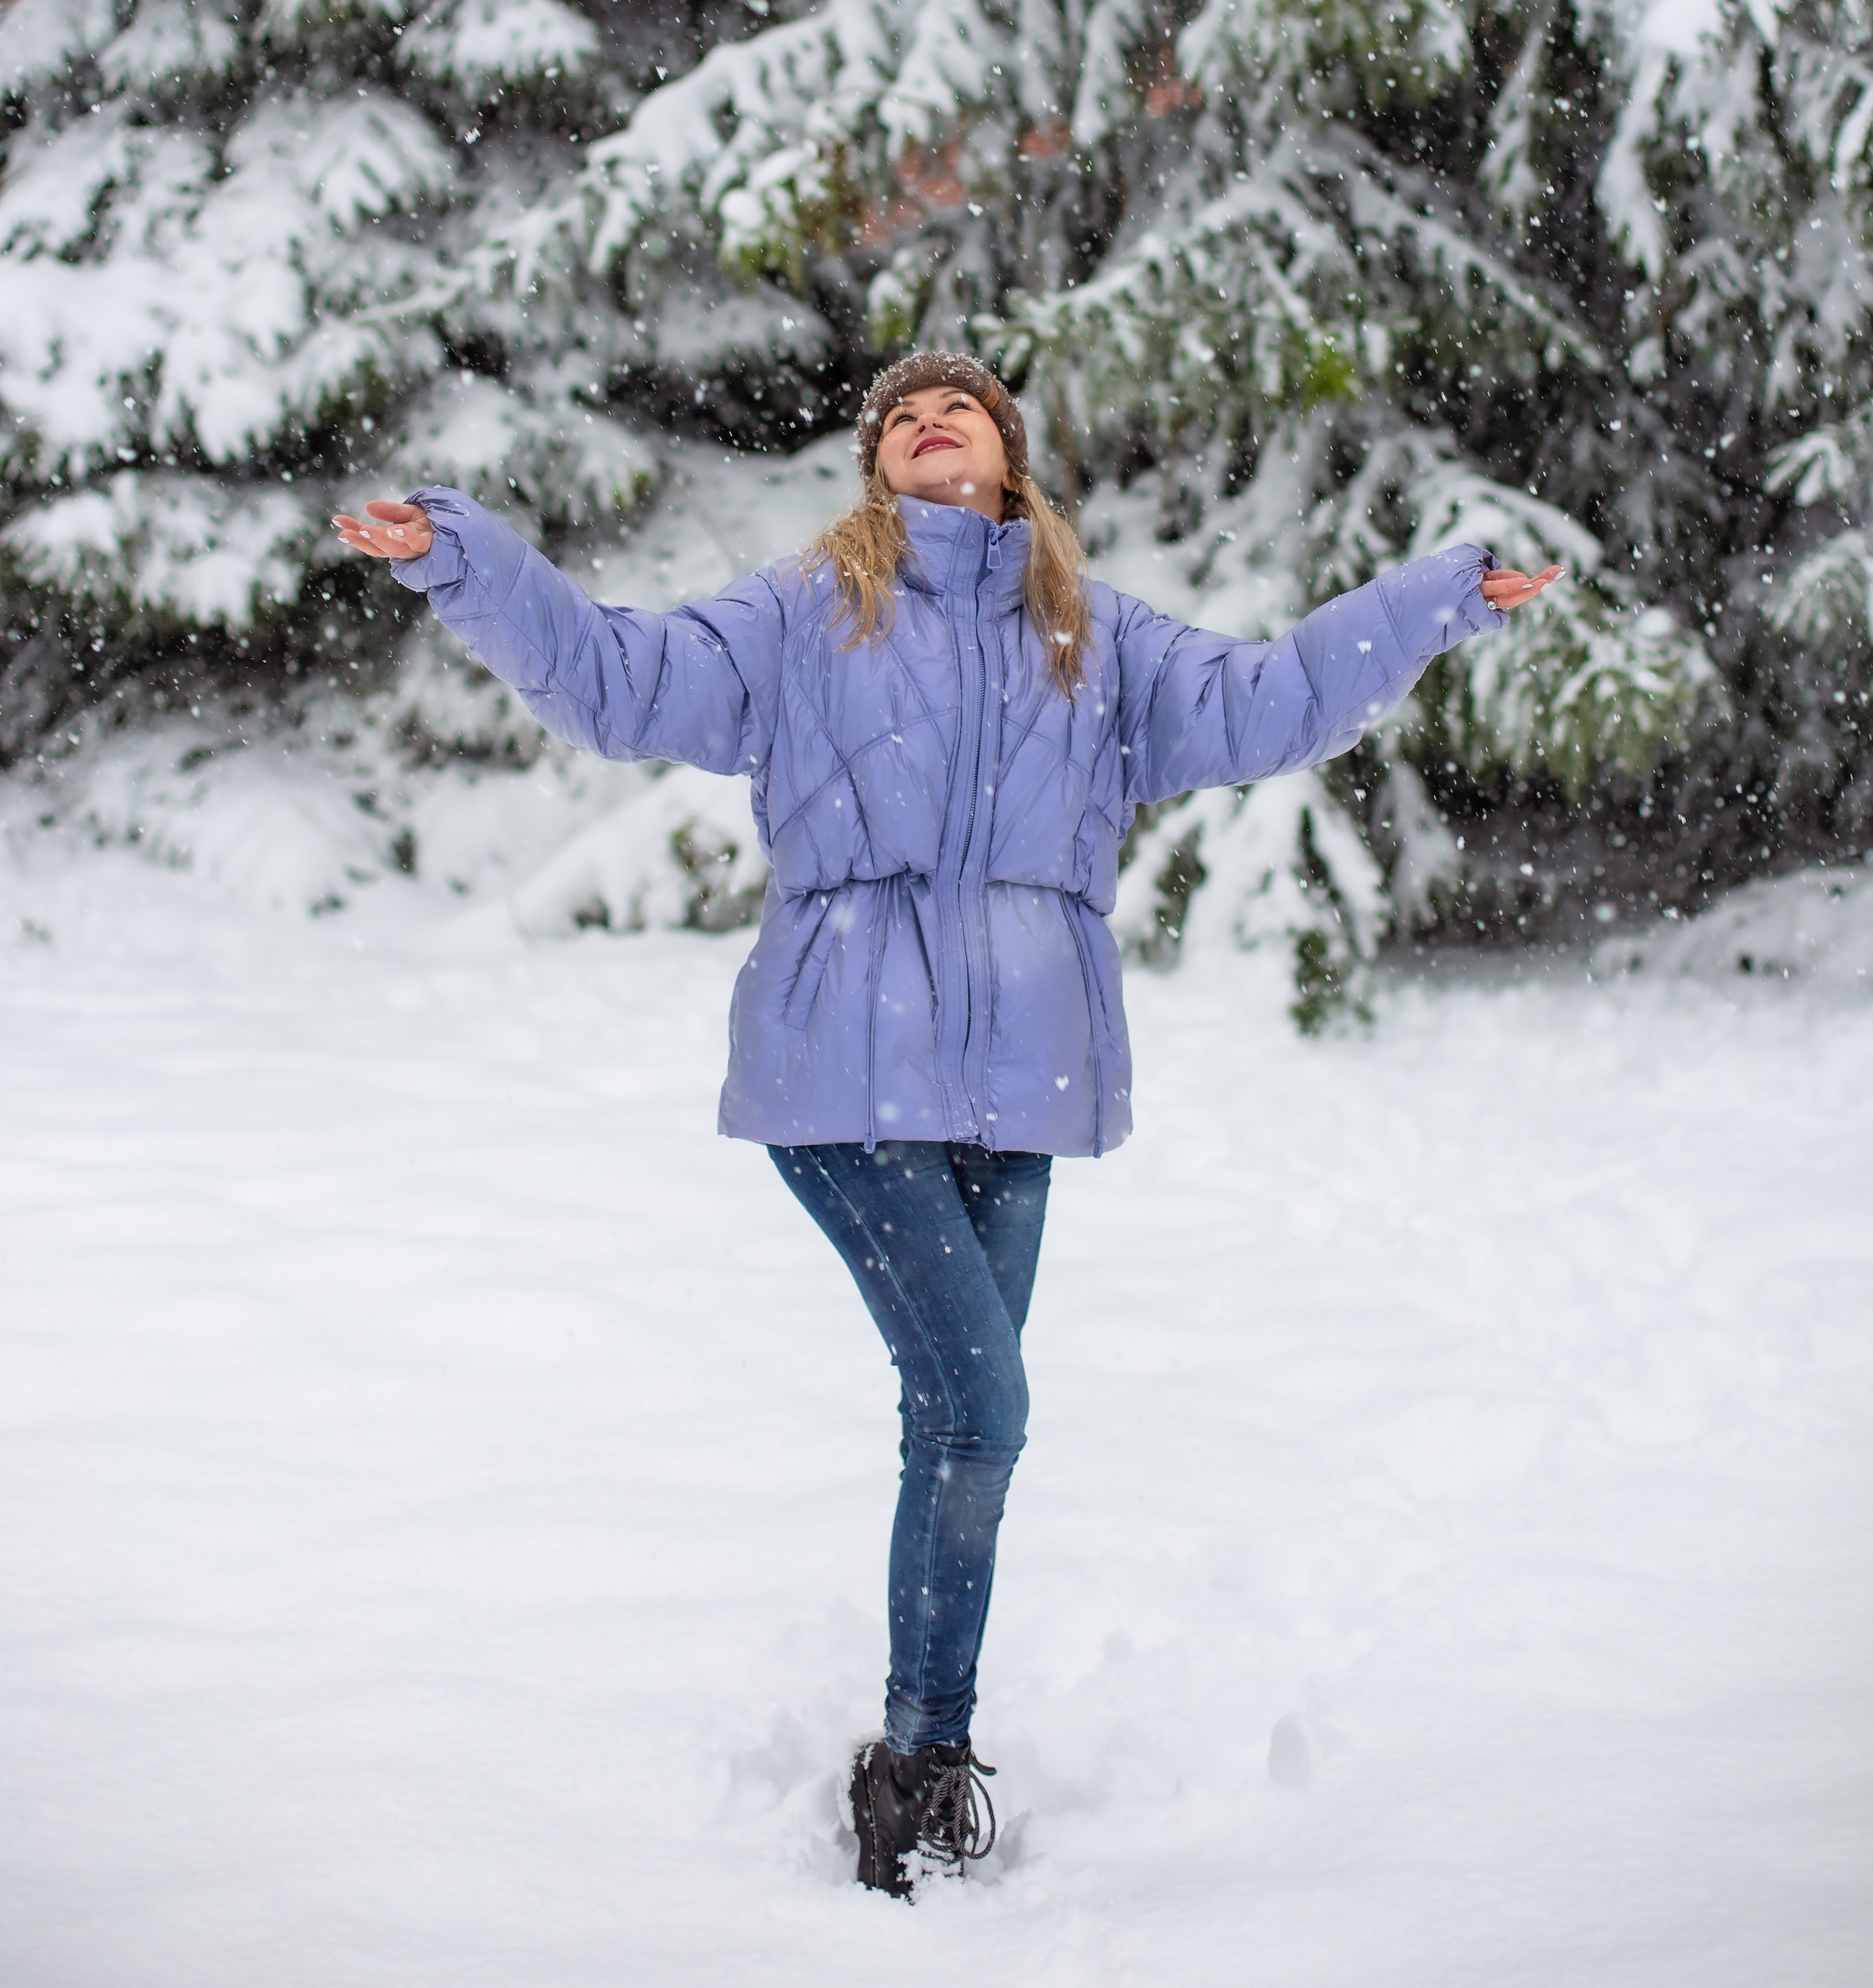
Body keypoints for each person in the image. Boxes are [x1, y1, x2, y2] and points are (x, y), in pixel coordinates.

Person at [334, 350, 1559, 1897]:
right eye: (900, 414)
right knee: (982, 1411)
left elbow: (1271, 701)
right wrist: (464, 557)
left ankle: (927, 1750)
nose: (928, 421)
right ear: (876, 467)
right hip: (842, 1071)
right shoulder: (804, 613)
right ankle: (915, 1765)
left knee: (958, 1430)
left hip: (1023, 1080)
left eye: (957, 408)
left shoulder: (1089, 634)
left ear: (1004, 452)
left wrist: (1437, 597)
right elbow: (616, 677)